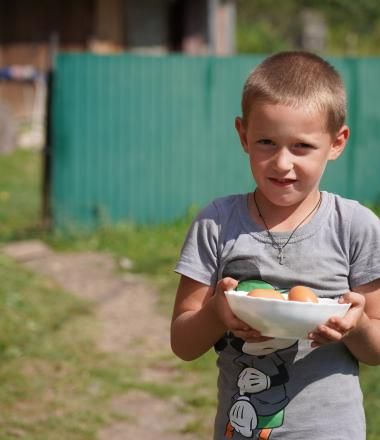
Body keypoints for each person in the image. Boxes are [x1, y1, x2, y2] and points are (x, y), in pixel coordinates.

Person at [170, 51, 380, 440]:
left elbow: (376, 349)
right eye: (266, 142)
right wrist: (218, 312)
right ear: (243, 135)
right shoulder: (216, 224)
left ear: (337, 143)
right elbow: (182, 343)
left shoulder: (356, 227)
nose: (282, 163)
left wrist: (357, 325)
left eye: (301, 146)